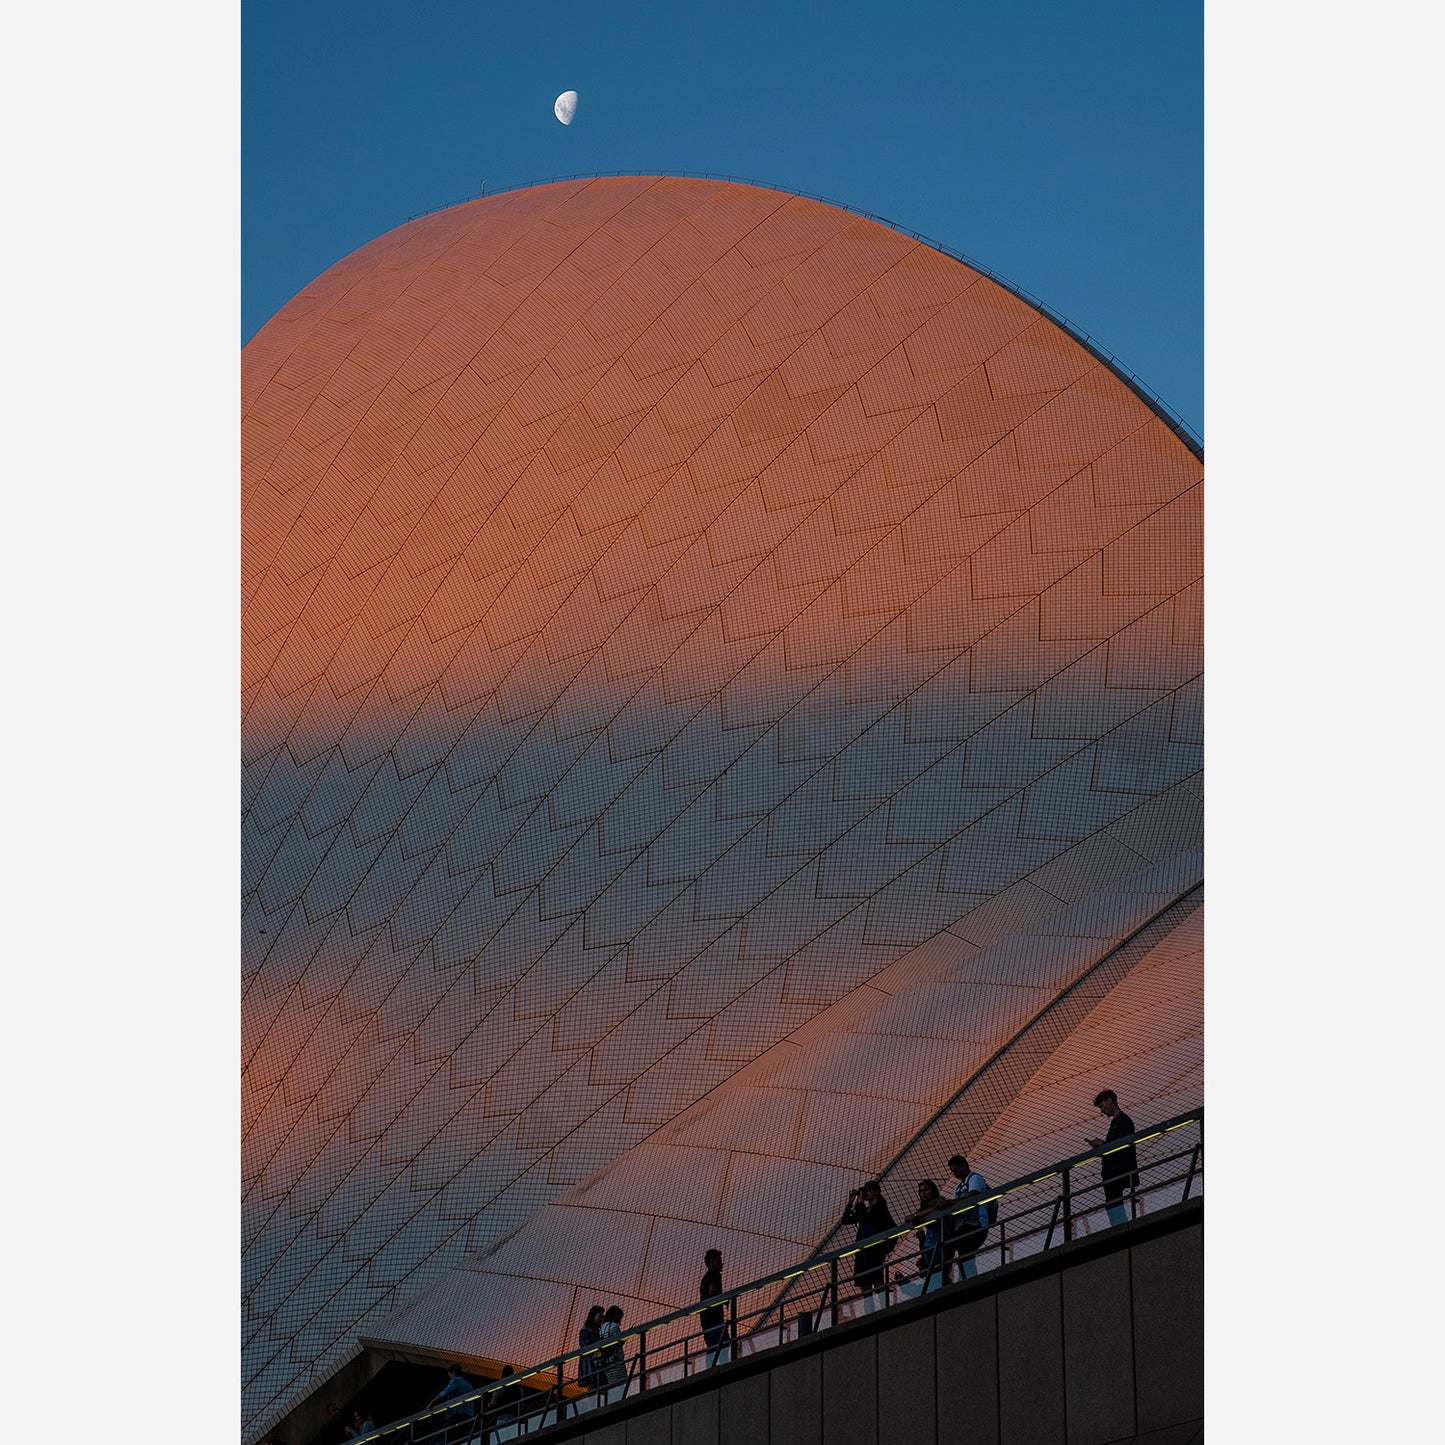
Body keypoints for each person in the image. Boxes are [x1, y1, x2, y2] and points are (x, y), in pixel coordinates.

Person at [1087, 1088, 1139, 1227]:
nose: (1102, 1111)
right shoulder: (1120, 1121)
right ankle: (1121, 1227)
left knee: (1113, 1203)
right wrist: (1103, 1148)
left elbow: (1120, 1147)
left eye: (1102, 1106)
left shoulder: (1123, 1121)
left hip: (1117, 1172)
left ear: (1110, 1100)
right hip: (1116, 1172)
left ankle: (1121, 1228)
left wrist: (1102, 1145)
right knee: (1113, 1203)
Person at [841, 1180, 896, 1310]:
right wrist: (850, 1203)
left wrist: (859, 1204)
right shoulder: (866, 1209)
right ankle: (870, 1311)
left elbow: (864, 1219)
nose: (865, 1193)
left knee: (876, 1281)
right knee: (865, 1285)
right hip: (862, 1250)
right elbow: (846, 1220)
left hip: (874, 1249)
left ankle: (885, 1309)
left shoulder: (880, 1208)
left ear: (876, 1192)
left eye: (868, 1190)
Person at [945, 1154, 992, 1279]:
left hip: (976, 1223)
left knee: (964, 1253)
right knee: (964, 1254)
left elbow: (973, 1195)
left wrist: (950, 1203)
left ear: (964, 1166)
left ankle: (968, 1278)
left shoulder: (975, 1179)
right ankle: (968, 1278)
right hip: (964, 1225)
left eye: (956, 1170)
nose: (955, 1174)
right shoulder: (958, 1187)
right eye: (953, 1171)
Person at [905, 1179, 949, 1292]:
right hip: (928, 1245)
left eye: (926, 1190)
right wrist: (927, 1211)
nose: (923, 1193)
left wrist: (919, 1215)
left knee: (941, 1271)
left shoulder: (940, 1201)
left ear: (932, 1190)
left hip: (941, 1242)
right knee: (934, 1272)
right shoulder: (924, 1208)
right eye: (921, 1191)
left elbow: (939, 1207)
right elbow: (908, 1218)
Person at [698, 1248, 729, 1366]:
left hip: (708, 1319)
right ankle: (723, 1366)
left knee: (715, 1345)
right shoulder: (713, 1275)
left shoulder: (707, 1277)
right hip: (713, 1319)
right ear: (712, 1261)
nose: (721, 1263)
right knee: (722, 1343)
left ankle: (713, 1367)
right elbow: (712, 1290)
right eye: (719, 1260)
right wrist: (724, 1298)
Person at [425, 1363, 475, 1430]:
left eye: (449, 1374)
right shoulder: (469, 1385)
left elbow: (444, 1392)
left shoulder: (456, 1381)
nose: (449, 1376)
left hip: (456, 1415)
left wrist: (431, 1403)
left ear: (453, 1372)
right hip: (469, 1415)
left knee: (449, 1433)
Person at [597, 1305, 628, 1400]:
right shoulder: (614, 1326)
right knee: (622, 1386)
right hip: (616, 1361)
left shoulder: (602, 1328)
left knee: (613, 1386)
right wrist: (625, 1336)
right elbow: (618, 1342)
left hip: (607, 1363)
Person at [577, 1305, 606, 1393]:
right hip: (589, 1362)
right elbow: (585, 1347)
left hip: (595, 1362)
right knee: (592, 1390)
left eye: (602, 1316)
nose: (601, 1319)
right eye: (600, 1316)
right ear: (593, 1316)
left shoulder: (595, 1330)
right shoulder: (585, 1330)